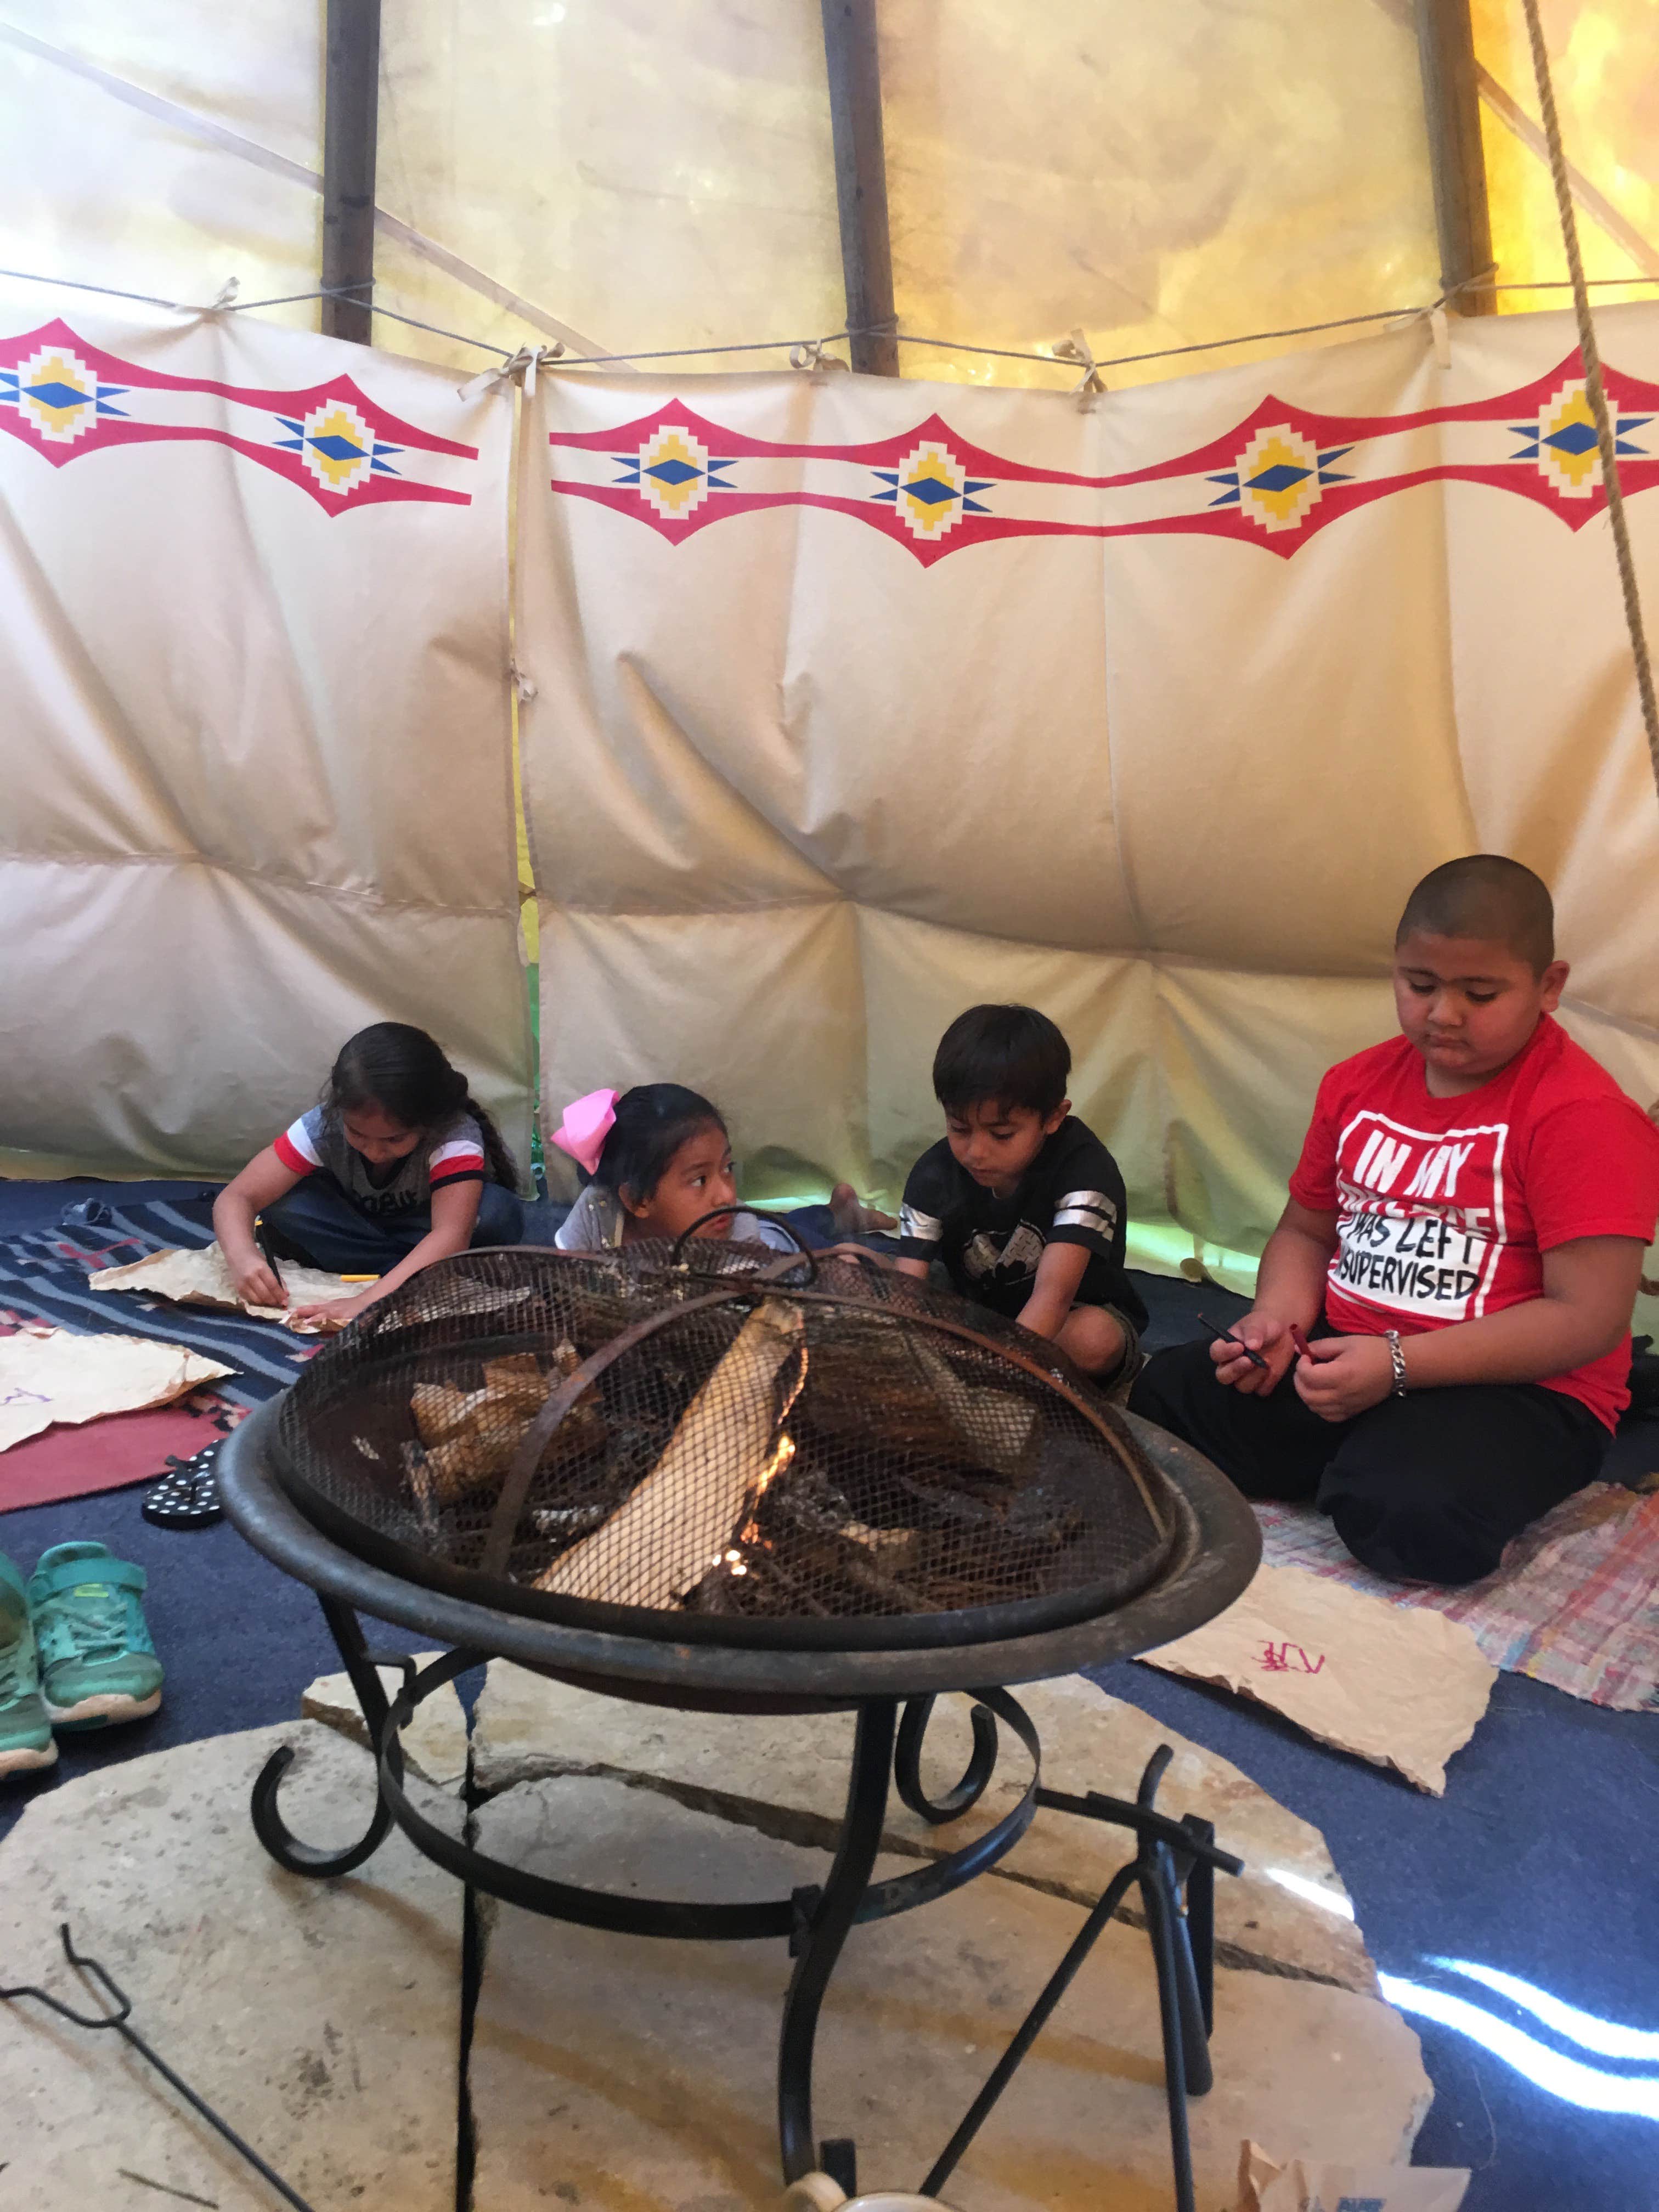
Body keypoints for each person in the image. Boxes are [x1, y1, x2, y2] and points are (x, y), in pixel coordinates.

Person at [1131, 855, 1659, 1585]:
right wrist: (1277, 1322)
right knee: (1165, 1397)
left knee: (1415, 1517)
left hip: (1517, 1388)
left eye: (1480, 993)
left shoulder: (1584, 1116)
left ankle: (1372, 1462)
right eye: (1421, 985)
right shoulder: (1356, 1084)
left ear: (1549, 987)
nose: (1444, 1013)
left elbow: (1587, 1320)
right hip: (1349, 1353)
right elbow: (1306, 1231)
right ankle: (1363, 1455)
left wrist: (1399, 1365)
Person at [891, 1004, 1146, 1381]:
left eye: (1002, 1135)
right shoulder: (935, 1171)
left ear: (1054, 1117)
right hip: (975, 1305)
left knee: (1094, 1339)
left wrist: (987, 1373)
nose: (976, 1152)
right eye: (960, 1129)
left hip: (1070, 1312)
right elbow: (908, 1288)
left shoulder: (1085, 1170)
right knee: (856, 1272)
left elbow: (1053, 1297)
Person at [213, 1023, 524, 1327]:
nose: (375, 1152)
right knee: (284, 1204)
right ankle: (419, 1269)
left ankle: (397, 1267)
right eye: (358, 1134)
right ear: (339, 1111)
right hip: (356, 1224)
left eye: (394, 1139)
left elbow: (450, 1234)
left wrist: (368, 1300)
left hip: (420, 1229)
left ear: (428, 1122)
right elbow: (237, 1197)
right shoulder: (324, 1125)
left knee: (494, 1214)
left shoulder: (452, 1134)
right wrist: (242, 1257)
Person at [551, 1084, 798, 1252]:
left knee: (800, 1235)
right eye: (700, 1180)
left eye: (727, 1168)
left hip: (774, 1244)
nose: (726, 1195)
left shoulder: (739, 1235)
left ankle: (817, 1216)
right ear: (638, 1200)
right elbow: (567, 1276)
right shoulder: (598, 1212)